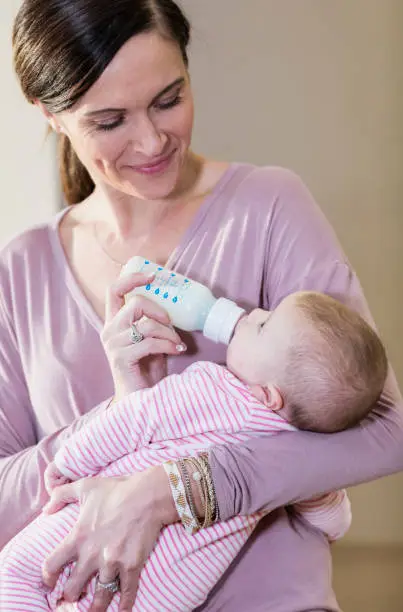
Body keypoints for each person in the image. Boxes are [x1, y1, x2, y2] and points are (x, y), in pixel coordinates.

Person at [2, 0, 402, 610]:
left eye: (169, 98)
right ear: (50, 114)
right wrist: (119, 415)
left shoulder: (269, 206)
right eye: (110, 120)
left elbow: (383, 428)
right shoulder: (21, 270)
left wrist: (174, 488)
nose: (152, 139)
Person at [0, 291, 388, 611]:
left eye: (264, 324)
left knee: (16, 575)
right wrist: (317, 490)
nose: (252, 314)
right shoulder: (292, 454)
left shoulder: (212, 389)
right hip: (164, 594)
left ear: (267, 395)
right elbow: (334, 523)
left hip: (88, 531)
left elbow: (135, 418)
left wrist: (68, 462)